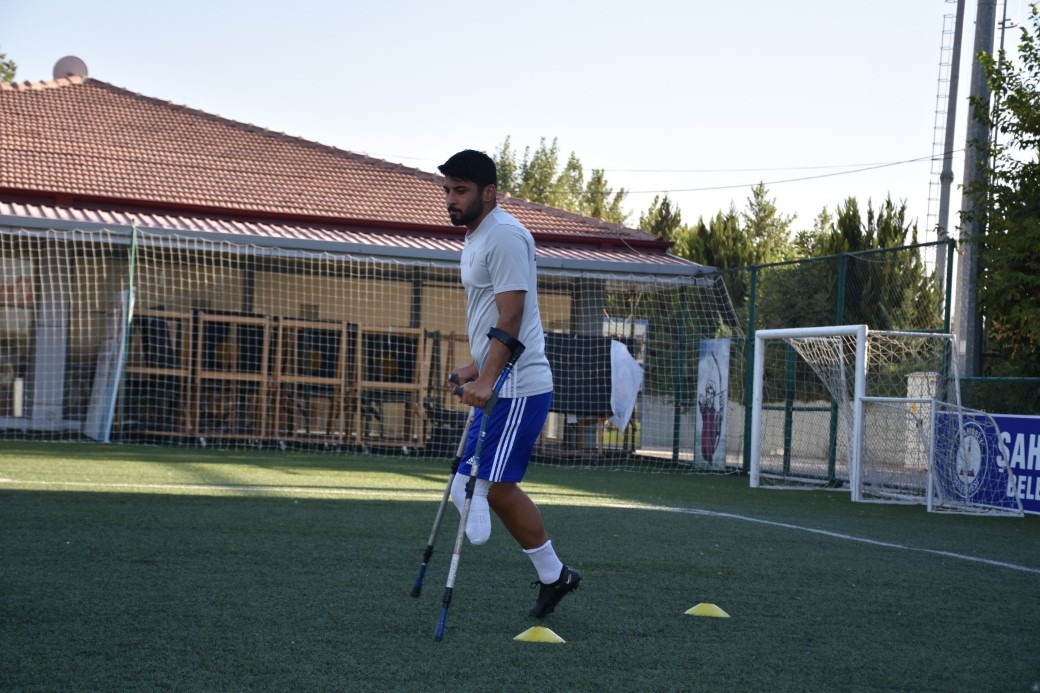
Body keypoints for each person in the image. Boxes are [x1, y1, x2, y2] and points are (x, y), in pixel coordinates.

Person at [438, 149, 581, 619]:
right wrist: (473, 367)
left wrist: (488, 378)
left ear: (489, 191)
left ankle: (554, 574)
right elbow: (489, 318)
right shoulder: (477, 237)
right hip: (500, 378)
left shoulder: (504, 235)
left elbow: (512, 315)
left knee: (480, 485)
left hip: (517, 386)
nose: (451, 199)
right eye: (448, 190)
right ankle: (554, 576)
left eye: (461, 190)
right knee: (487, 487)